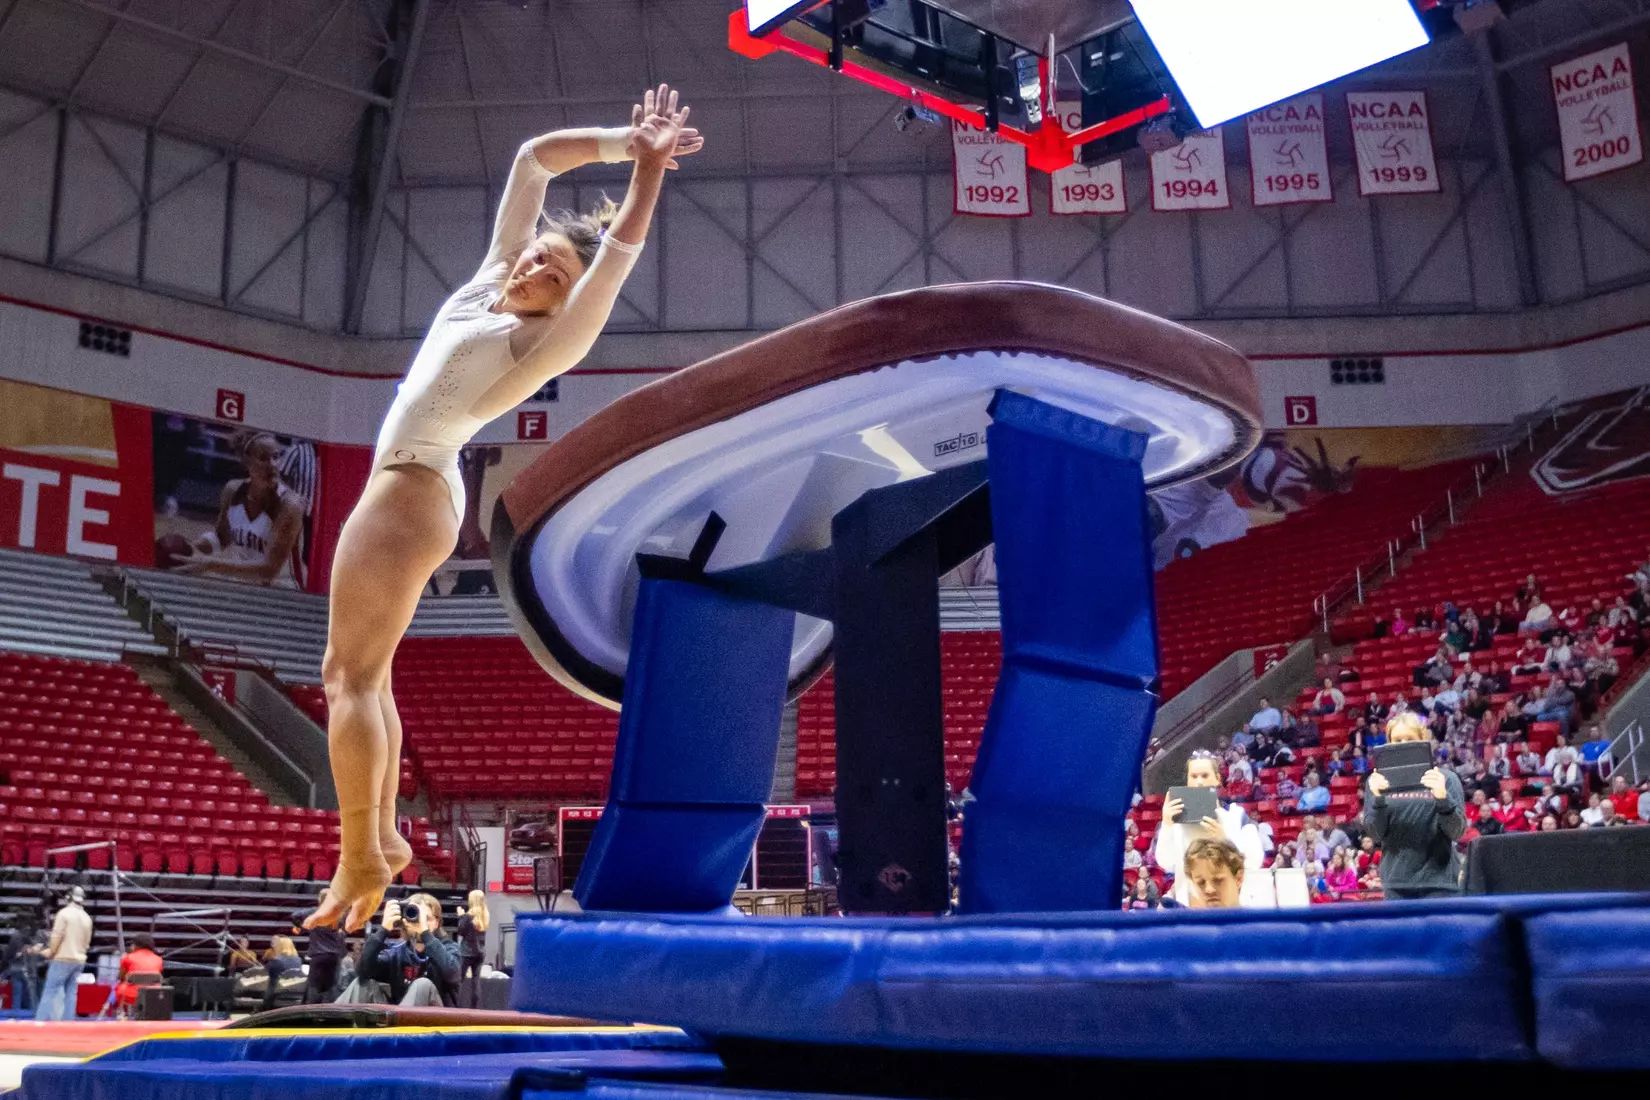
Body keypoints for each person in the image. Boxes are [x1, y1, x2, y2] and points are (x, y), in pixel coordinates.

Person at [308, 87, 703, 933]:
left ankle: (358, 853)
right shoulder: (492, 283)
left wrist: (648, 171)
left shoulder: (547, 338)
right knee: (366, 675)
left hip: (412, 484)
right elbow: (531, 160)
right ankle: (379, 836)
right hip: (419, 484)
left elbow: (620, 254)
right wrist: (615, 138)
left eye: (553, 276)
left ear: (568, 303)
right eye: (536, 259)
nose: (532, 271)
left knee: (345, 676)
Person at [172, 432, 306, 587]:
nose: (272, 464)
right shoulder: (233, 490)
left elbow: (269, 570)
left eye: (276, 457)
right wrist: (190, 548)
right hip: (241, 585)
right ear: (246, 462)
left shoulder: (290, 505)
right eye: (263, 458)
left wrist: (209, 564)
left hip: (281, 592)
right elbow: (221, 538)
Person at [1363, 713, 1467, 900]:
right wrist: (1378, 799)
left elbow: (1457, 832)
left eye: (1410, 739)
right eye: (1397, 740)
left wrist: (1443, 799)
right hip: (1397, 884)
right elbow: (1375, 835)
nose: (1403, 744)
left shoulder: (1446, 779)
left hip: (1440, 883)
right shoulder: (1377, 781)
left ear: (1422, 741)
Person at [1153, 751, 1265, 906]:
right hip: (1190, 911)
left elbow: (1255, 860)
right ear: (1187, 781)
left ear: (1217, 779)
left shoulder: (1237, 815)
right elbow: (1165, 861)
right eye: (1194, 776)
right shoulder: (1177, 821)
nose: (1199, 782)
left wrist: (1225, 842)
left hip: (1229, 908)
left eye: (1205, 776)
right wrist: (1166, 824)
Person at [336, 896, 459, 1006]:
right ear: (405, 920)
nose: (421, 923)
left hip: (437, 1021)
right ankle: (326, 1025)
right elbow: (362, 971)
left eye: (427, 919)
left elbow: (453, 975)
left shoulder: (449, 948)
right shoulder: (397, 953)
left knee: (422, 984)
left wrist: (425, 933)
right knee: (361, 984)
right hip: (399, 1019)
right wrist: (383, 929)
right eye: (416, 916)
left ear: (436, 923)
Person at [35, 887, 92, 1021]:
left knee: (50, 991)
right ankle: (67, 1024)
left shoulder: (64, 914)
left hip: (63, 958)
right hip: (79, 959)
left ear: (68, 897)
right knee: (71, 993)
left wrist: (51, 951)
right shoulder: (87, 917)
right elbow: (87, 942)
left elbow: (57, 936)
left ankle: (39, 1022)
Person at [291, 889, 348, 1004]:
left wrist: (302, 926)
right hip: (335, 956)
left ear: (319, 899)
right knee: (331, 988)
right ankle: (329, 1014)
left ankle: (310, 1014)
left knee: (314, 987)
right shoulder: (339, 914)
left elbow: (294, 916)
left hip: (319, 955)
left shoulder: (316, 912)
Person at [1182, 838, 1245, 910]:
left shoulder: (1257, 920)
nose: (1209, 890)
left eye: (1218, 880)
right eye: (1201, 883)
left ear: (1239, 879)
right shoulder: (1186, 920)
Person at [113, 933, 164, 1019]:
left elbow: (121, 977)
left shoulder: (127, 957)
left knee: (117, 987)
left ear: (136, 945)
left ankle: (121, 1014)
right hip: (152, 995)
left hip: (131, 995)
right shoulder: (159, 959)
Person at [455, 890, 489, 1009]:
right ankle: (475, 1007)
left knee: (460, 980)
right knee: (476, 981)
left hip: (467, 952)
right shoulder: (485, 914)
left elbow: (461, 931)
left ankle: (456, 1006)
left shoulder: (468, 916)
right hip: (480, 951)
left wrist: (460, 916)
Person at [260, 935, 305, 1012]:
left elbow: (264, 973)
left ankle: (262, 1009)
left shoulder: (277, 960)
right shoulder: (298, 960)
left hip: (277, 995)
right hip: (296, 993)